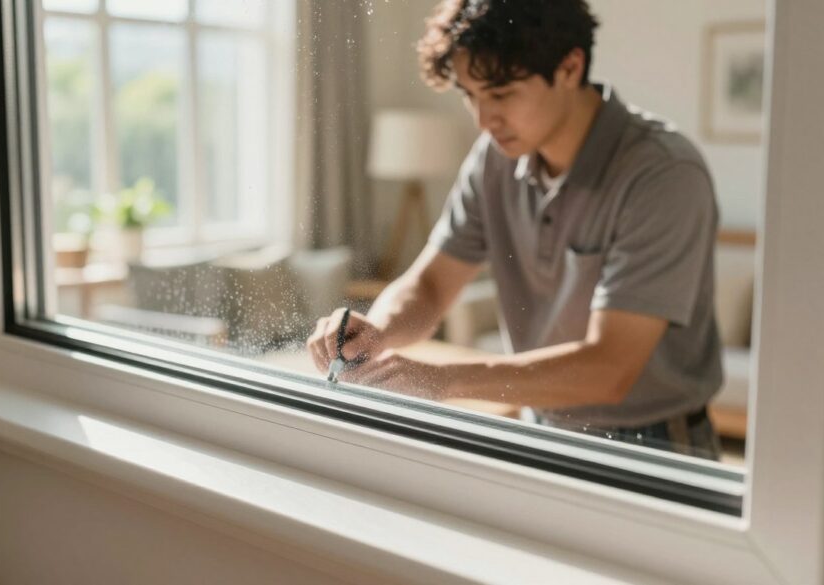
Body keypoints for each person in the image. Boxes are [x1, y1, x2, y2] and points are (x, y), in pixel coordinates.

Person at [307, 0, 723, 459]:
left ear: (570, 68)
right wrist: (378, 331)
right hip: (539, 425)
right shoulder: (494, 158)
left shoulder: (663, 173)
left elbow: (610, 368)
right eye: (469, 95)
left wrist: (442, 380)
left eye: (501, 94)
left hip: (653, 445)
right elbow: (432, 284)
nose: (484, 120)